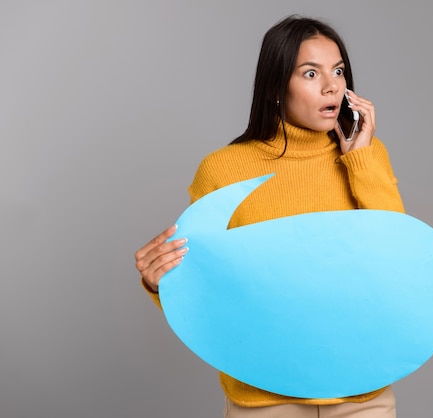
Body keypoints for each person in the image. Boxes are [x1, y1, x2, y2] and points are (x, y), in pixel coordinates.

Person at [135, 14, 404, 418]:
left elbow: (398, 258)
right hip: (264, 395)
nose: (332, 85)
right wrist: (159, 283)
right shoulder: (223, 171)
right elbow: (201, 284)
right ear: (276, 86)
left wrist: (362, 160)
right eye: (311, 73)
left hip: (360, 388)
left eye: (338, 71)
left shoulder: (366, 157)